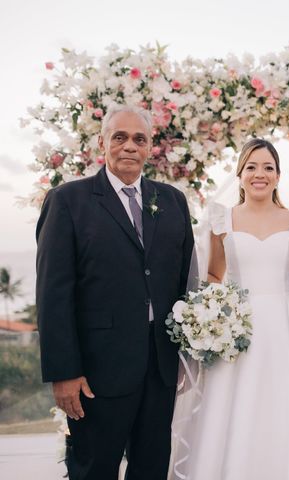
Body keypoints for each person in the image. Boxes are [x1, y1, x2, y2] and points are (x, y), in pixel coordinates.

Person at [36, 105, 195, 480]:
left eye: (139, 139)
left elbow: (184, 283)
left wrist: (185, 355)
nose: (129, 146)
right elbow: (53, 293)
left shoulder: (172, 201)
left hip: (159, 370)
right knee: (94, 470)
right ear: (102, 143)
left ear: (150, 147)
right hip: (96, 374)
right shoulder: (68, 201)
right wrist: (64, 372)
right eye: (119, 137)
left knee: (152, 469)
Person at [171, 138, 289, 480]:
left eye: (267, 167)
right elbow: (214, 275)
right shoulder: (223, 221)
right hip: (238, 330)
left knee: (286, 409)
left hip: (286, 328)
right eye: (251, 167)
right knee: (235, 411)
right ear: (240, 174)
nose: (259, 174)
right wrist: (211, 319)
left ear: (278, 175)